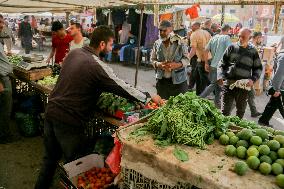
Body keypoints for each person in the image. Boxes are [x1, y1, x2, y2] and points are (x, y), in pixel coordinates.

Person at [34, 25, 163, 189]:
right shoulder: (95, 64)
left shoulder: (75, 53)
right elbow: (120, 85)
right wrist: (148, 96)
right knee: (74, 164)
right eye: (110, 45)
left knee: (49, 160)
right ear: (102, 44)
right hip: (69, 119)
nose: (111, 48)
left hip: (51, 111)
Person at [217, 28, 263, 118]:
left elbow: (258, 68)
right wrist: (220, 76)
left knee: (240, 111)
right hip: (229, 84)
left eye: (244, 37)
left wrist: (252, 80)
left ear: (249, 37)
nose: (241, 39)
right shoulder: (231, 47)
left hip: (243, 86)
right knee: (225, 111)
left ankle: (237, 130)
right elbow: (222, 63)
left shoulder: (253, 51)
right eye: (239, 36)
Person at [151, 20, 189, 99]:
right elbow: (152, 59)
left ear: (171, 29)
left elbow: (187, 59)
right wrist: (159, 64)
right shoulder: (157, 43)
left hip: (179, 82)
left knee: (178, 106)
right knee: (162, 105)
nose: (161, 32)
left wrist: (177, 65)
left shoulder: (181, 41)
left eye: (164, 30)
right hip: (162, 82)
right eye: (160, 30)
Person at [200, 24, 232, 108]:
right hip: (221, 66)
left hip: (213, 65)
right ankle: (199, 98)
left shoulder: (213, 38)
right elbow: (230, 52)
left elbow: (205, 51)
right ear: (228, 30)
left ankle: (217, 102)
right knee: (214, 84)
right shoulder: (226, 38)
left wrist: (206, 63)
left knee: (217, 84)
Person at [258, 49, 284, 127]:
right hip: (280, 88)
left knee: (273, 104)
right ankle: (263, 121)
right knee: (278, 105)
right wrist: (276, 89)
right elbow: (280, 73)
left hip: (280, 87)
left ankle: (263, 121)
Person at [188, 21, 211, 95]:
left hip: (202, 59)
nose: (191, 27)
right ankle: (199, 94)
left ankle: (217, 93)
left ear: (196, 26)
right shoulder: (206, 32)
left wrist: (187, 58)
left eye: (192, 26)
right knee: (197, 77)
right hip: (208, 58)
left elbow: (193, 50)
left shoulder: (194, 34)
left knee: (206, 79)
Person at [0, 15, 13, 144]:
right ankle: (4, 136)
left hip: (4, 77)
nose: (2, 25)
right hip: (2, 79)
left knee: (5, 107)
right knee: (5, 108)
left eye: (2, 22)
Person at [246, 31, 263, 117]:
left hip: (248, 74)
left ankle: (253, 111)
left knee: (250, 94)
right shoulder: (252, 46)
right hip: (247, 74)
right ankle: (225, 113)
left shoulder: (251, 45)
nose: (261, 39)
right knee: (237, 96)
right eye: (261, 37)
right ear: (257, 37)